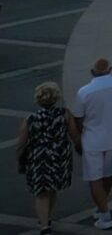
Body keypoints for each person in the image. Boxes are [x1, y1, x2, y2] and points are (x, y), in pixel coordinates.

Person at [73, 59, 112, 232]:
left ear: (92, 72)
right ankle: (101, 206)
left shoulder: (84, 92)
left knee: (94, 178)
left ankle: (104, 213)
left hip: (93, 140)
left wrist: (79, 138)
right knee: (108, 174)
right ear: (110, 70)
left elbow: (78, 119)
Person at [18, 80, 74, 234]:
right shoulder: (65, 114)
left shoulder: (30, 119)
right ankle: (47, 218)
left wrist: (20, 160)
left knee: (41, 192)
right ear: (56, 98)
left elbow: (21, 143)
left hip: (39, 158)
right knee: (53, 188)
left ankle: (44, 226)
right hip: (60, 157)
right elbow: (74, 135)